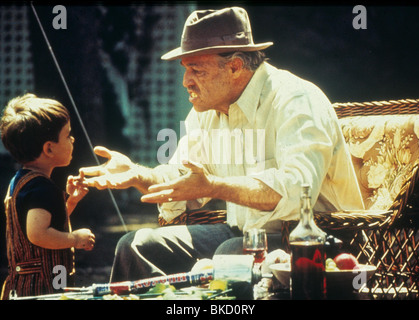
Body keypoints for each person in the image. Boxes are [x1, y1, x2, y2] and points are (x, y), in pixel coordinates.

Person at [80, 7, 364, 283]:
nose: (185, 81)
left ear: (235, 67)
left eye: (196, 70)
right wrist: (139, 175)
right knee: (136, 245)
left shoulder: (296, 99)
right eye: (185, 70)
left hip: (319, 242)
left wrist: (214, 186)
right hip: (245, 237)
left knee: (229, 254)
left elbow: (296, 190)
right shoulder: (210, 109)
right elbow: (186, 177)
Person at [0, 93, 95, 299]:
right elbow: (38, 234)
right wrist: (75, 239)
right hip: (41, 287)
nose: (73, 139)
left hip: (29, 282)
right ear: (49, 148)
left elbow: (48, 224)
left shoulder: (23, 181)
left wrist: (71, 201)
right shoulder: (42, 188)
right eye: (67, 135)